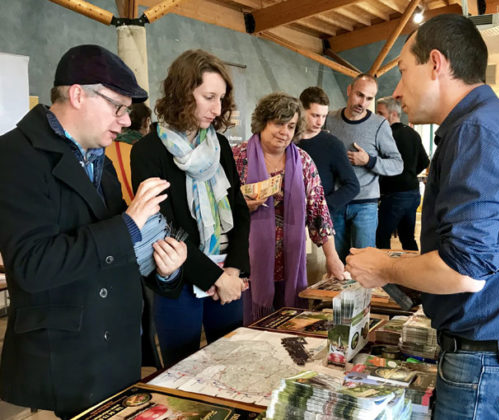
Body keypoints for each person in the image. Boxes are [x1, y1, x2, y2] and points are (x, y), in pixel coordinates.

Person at [345, 15, 499, 419]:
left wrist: (387, 267)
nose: (397, 90)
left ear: (436, 63)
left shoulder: (476, 131)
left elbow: (464, 270)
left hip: (493, 363)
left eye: (403, 71)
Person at [0, 44, 187, 418]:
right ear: (77, 93)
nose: (125, 121)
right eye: (117, 107)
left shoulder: (98, 157)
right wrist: (128, 225)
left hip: (115, 350)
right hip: (65, 358)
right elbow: (31, 266)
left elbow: (117, 252)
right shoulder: (14, 155)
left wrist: (166, 270)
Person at [131, 49, 250, 367]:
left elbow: (238, 208)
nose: (218, 108)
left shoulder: (220, 144)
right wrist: (215, 277)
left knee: (232, 365)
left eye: (222, 98)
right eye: (209, 96)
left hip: (227, 272)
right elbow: (162, 226)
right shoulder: (148, 151)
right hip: (181, 279)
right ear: (183, 93)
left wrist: (234, 270)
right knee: (182, 372)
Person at [232, 92, 344, 324]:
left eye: (291, 126)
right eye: (278, 124)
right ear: (263, 122)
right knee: (251, 326)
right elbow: (221, 208)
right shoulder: (237, 158)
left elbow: (319, 211)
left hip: (289, 260)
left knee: (289, 324)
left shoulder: (302, 161)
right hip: (247, 261)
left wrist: (331, 256)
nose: (285, 132)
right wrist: (242, 208)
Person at [325, 74, 403, 261]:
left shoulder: (379, 124)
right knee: (338, 263)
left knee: (364, 262)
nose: (363, 102)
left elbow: (397, 164)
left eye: (369, 98)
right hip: (336, 203)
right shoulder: (329, 119)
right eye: (360, 95)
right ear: (349, 90)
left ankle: (364, 292)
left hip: (365, 205)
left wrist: (369, 160)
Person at [375, 96, 429, 250]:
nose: (376, 117)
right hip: (412, 193)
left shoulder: (386, 136)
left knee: (381, 236)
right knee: (408, 238)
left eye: (380, 113)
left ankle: (384, 272)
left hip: (394, 195)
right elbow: (425, 162)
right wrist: (409, 174)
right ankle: (411, 272)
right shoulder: (413, 134)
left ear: (393, 114)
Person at [297, 86, 359, 220]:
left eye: (324, 116)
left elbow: (352, 185)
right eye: (315, 115)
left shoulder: (333, 144)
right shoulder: (288, 141)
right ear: (301, 110)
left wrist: (322, 208)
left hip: (320, 219)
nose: (320, 122)